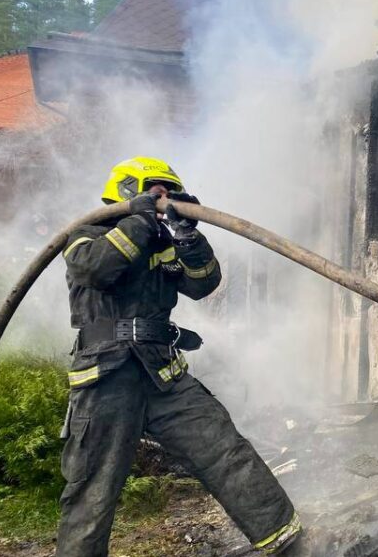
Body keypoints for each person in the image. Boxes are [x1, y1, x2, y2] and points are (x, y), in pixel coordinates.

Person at [56, 157, 300, 556]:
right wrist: (138, 221)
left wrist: (188, 236)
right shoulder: (88, 233)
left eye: (170, 194)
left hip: (163, 374)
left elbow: (203, 284)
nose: (164, 199)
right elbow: (95, 271)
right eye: (156, 191)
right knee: (93, 487)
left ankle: (288, 541)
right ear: (130, 190)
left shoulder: (163, 242)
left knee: (223, 448)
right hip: (106, 376)